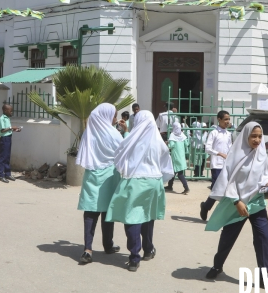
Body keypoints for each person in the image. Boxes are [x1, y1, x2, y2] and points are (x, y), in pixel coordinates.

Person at [204, 122, 268, 291]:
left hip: (257, 202)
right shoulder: (236, 155)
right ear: (246, 136)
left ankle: (263, 276)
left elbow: (263, 175)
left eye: (260, 136)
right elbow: (228, 180)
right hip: (237, 203)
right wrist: (236, 201)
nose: (257, 140)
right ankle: (217, 266)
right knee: (228, 238)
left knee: (263, 239)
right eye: (254, 136)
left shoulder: (261, 153)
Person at [106, 110, 174, 272]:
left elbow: (118, 159)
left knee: (132, 218)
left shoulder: (131, 139)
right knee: (148, 216)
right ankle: (148, 249)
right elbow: (166, 164)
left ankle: (134, 256)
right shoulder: (158, 141)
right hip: (154, 182)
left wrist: (127, 171)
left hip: (134, 182)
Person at [76, 103, 122, 264]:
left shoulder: (89, 133)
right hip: (110, 176)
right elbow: (122, 154)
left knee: (90, 211)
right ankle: (108, 244)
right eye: (114, 115)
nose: (115, 119)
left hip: (92, 175)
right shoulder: (114, 134)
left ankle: (88, 249)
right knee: (107, 212)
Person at [200, 111, 232, 221]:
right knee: (216, 188)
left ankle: (206, 206)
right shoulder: (214, 133)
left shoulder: (228, 134)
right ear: (219, 119)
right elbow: (207, 148)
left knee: (224, 189)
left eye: (228, 119)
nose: (227, 122)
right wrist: (219, 153)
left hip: (226, 165)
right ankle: (206, 207)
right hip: (216, 164)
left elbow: (230, 148)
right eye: (225, 119)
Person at [0, 104, 21, 183]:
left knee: (7, 156)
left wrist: (15, 130)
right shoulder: (2, 119)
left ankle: (7, 173)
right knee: (2, 157)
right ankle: (0, 175)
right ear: (5, 110)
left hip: (9, 138)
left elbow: (8, 129)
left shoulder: (7, 118)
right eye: (10, 111)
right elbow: (2, 130)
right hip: (4, 139)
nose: (11, 112)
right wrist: (11, 127)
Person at [165, 122, 190, 194]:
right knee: (173, 171)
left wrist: (168, 143)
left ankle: (186, 188)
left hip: (175, 156)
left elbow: (171, 146)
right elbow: (186, 144)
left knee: (179, 173)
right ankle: (170, 186)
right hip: (181, 156)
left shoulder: (172, 135)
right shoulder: (182, 135)